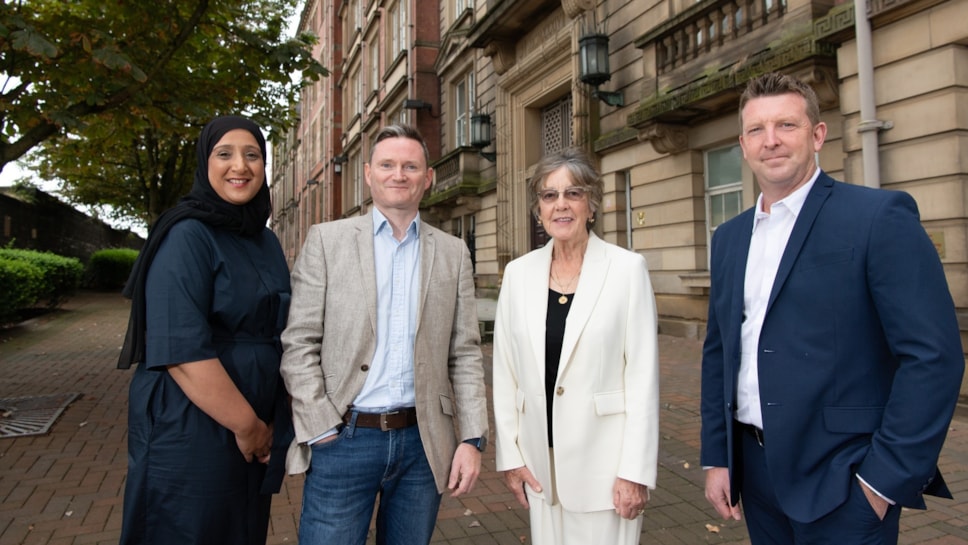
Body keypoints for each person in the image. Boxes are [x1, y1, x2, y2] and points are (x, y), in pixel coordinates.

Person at [700, 72, 965, 544]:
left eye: (787, 125)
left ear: (817, 135)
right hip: (756, 474)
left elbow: (933, 356)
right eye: (757, 130)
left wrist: (883, 481)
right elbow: (720, 352)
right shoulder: (729, 239)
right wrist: (718, 456)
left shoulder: (877, 218)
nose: (771, 141)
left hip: (844, 479)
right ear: (743, 144)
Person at [280, 124, 489, 544]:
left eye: (411, 166)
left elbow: (464, 353)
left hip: (422, 443)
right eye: (388, 165)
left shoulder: (452, 253)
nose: (399, 174)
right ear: (369, 174)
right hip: (344, 438)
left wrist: (471, 438)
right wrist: (320, 426)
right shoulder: (326, 242)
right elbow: (298, 342)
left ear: (427, 178)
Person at [117, 116, 292, 545]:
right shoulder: (187, 235)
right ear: (205, 161)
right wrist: (248, 426)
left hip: (252, 415)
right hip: (192, 418)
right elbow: (180, 348)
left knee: (240, 529)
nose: (241, 166)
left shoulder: (263, 240)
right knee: (189, 528)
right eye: (225, 154)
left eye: (253, 155)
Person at [492, 147, 660, 545]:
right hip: (540, 467)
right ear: (538, 209)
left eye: (574, 193)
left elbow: (643, 377)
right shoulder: (517, 275)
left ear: (592, 204)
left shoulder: (626, 270)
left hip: (606, 470)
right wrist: (511, 458)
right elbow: (504, 373)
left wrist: (635, 472)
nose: (561, 205)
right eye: (549, 195)